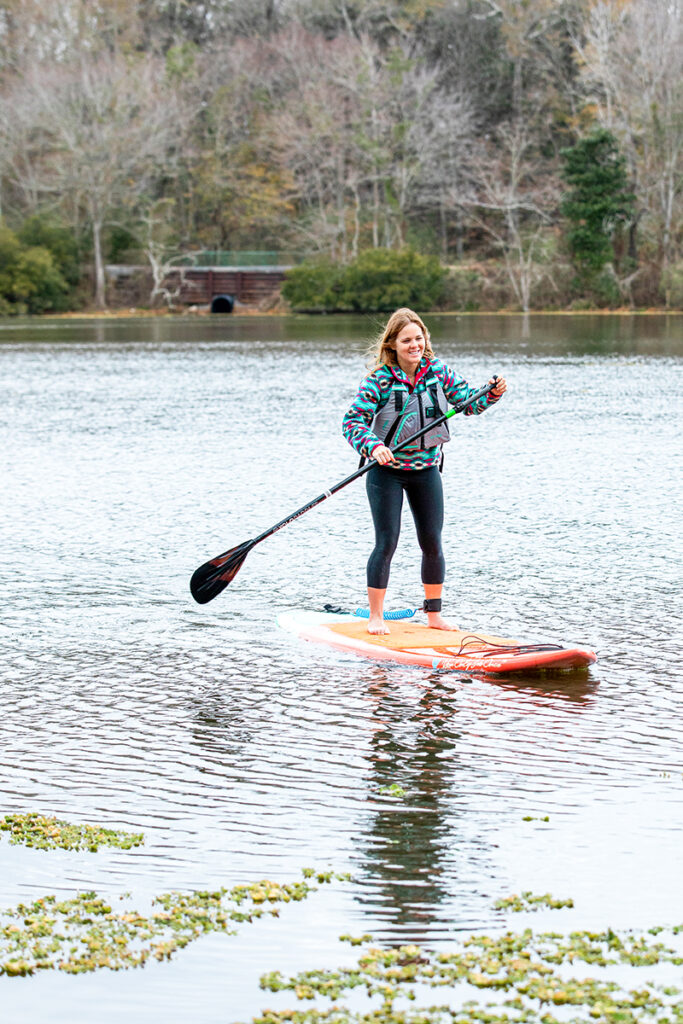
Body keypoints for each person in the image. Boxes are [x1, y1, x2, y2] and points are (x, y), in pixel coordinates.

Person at [342, 307, 506, 635]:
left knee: (432, 542)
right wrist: (373, 446)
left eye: (419, 338)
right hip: (386, 471)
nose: (414, 345)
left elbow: (468, 404)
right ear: (393, 345)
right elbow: (352, 422)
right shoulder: (379, 380)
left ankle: (434, 615)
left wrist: (492, 394)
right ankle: (376, 616)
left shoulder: (438, 372)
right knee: (386, 542)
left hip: (426, 469)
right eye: (407, 340)